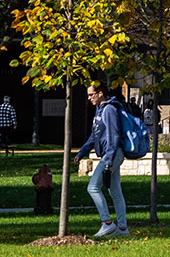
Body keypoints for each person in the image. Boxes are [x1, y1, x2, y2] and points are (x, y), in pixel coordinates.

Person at [74, 85, 130, 238]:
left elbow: (114, 135)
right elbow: (94, 136)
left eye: (92, 95)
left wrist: (109, 160)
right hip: (110, 154)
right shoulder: (100, 110)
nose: (89, 98)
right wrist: (82, 152)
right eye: (89, 95)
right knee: (115, 191)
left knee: (92, 187)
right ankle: (123, 228)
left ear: (101, 93)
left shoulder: (109, 109)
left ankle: (107, 223)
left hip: (112, 154)